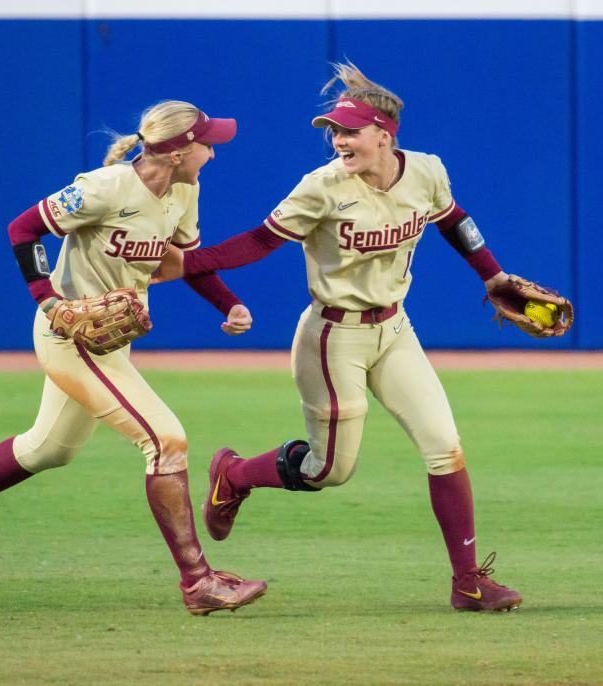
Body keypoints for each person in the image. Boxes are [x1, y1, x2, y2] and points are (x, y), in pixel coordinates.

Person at [154, 64, 525, 611]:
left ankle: (468, 582)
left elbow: (455, 221)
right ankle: (233, 475)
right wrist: (185, 264)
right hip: (333, 339)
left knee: (445, 449)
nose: (338, 140)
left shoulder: (426, 171)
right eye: (334, 130)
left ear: (384, 135)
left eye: (350, 130)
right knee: (328, 471)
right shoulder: (323, 187)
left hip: (396, 330)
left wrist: (492, 275)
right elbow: (258, 242)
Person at [0, 100, 267, 616]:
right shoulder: (106, 188)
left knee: (48, 449)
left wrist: (227, 301)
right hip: (68, 336)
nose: (214, 150)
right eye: (208, 142)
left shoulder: (184, 191)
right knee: (165, 441)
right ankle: (198, 582)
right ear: (178, 150)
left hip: (107, 341)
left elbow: (179, 262)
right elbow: (22, 228)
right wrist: (47, 300)